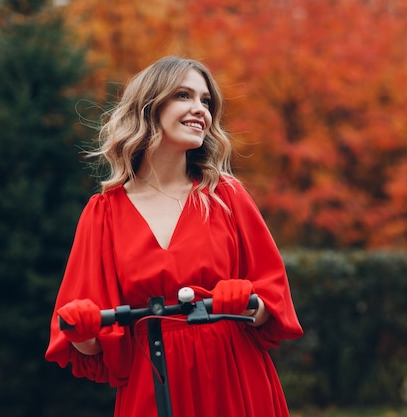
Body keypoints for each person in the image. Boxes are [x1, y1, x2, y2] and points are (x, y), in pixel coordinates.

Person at [45, 56, 303, 417]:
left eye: (206, 101)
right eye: (184, 95)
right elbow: (93, 347)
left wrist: (247, 302)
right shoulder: (102, 213)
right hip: (152, 386)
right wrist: (80, 326)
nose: (200, 110)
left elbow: (273, 305)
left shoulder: (226, 196)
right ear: (149, 106)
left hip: (233, 381)